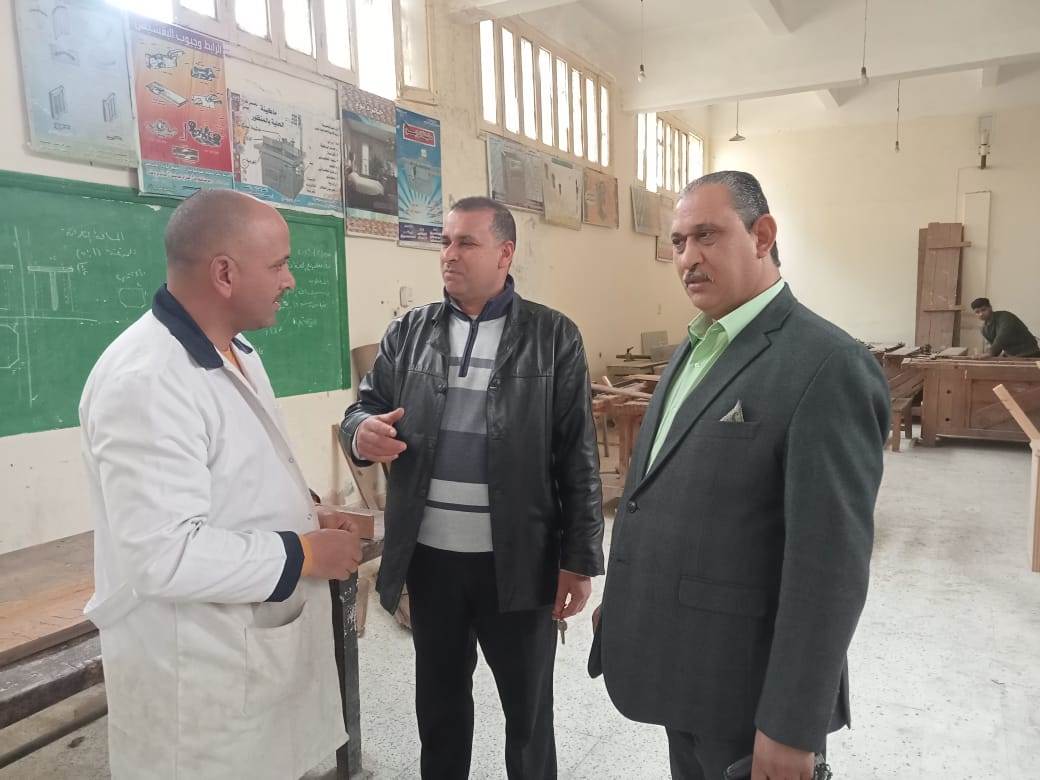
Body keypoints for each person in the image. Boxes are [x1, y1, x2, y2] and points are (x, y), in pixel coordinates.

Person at [589, 171, 889, 780]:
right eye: (678, 242)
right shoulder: (696, 347)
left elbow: (828, 569)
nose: (688, 258)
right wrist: (625, 600)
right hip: (681, 666)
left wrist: (791, 725)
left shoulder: (827, 365)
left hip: (747, 691)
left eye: (707, 235)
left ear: (762, 236)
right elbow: (660, 492)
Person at [80, 190, 361, 779]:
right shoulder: (148, 381)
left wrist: (306, 513)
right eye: (279, 265)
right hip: (196, 671)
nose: (289, 280)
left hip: (246, 654)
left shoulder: (235, 351)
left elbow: (237, 474)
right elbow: (163, 555)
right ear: (225, 274)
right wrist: (305, 553)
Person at [340, 196, 603, 779]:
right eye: (445, 241)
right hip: (431, 560)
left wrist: (579, 559)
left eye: (466, 243)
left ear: (505, 254)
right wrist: (362, 431)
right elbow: (365, 405)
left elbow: (577, 455)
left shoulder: (553, 336)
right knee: (439, 709)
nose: (449, 255)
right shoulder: (409, 332)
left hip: (519, 561)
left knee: (528, 716)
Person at [969, 297, 1040, 357]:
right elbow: (996, 349)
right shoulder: (984, 329)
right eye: (977, 312)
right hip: (1011, 356)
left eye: (983, 310)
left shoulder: (1005, 316)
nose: (981, 314)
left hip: (1029, 353)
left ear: (990, 307)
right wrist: (984, 355)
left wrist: (989, 353)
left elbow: (1002, 337)